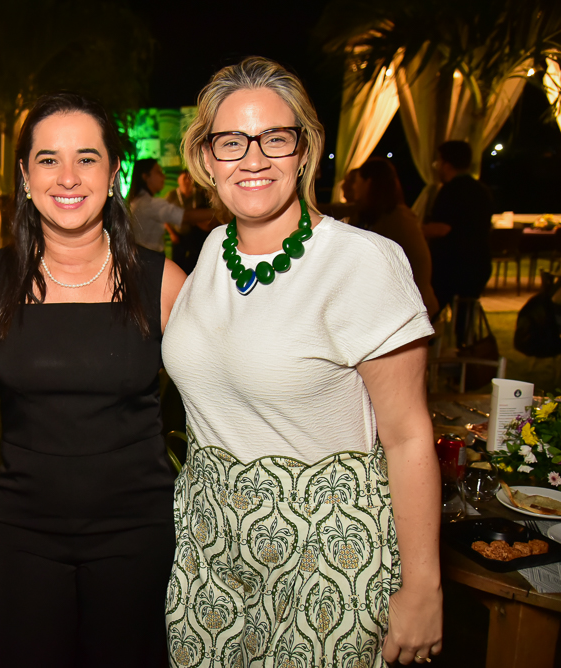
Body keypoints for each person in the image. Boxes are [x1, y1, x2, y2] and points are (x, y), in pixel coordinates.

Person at [163, 57, 442, 667]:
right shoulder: (212, 251)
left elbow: (408, 436)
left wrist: (423, 588)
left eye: (275, 138)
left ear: (305, 149)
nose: (253, 158)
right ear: (207, 157)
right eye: (231, 141)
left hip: (326, 564)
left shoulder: (362, 262)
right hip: (211, 556)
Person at [0, 92, 187, 668]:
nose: (68, 176)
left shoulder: (161, 282)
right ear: (25, 174)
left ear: (113, 173)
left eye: (87, 158)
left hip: (137, 535)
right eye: (49, 159)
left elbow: (228, 397)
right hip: (22, 538)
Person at [353, 158, 439, 317]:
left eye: (356, 182)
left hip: (409, 313)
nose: (354, 187)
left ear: (368, 183)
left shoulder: (393, 222)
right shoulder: (393, 214)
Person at [423, 140, 493, 317]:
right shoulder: (482, 190)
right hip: (479, 264)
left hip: (451, 266)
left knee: (428, 313)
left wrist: (417, 231)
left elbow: (442, 228)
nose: (437, 167)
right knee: (464, 318)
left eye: (438, 162)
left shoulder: (450, 190)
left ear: (447, 165)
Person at [128, 158, 214, 254]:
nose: (163, 176)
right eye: (159, 172)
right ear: (145, 176)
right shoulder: (149, 204)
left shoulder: (138, 201)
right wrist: (219, 212)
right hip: (149, 256)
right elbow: (186, 216)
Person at [166, 170, 222, 273]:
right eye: (184, 178)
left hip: (196, 236)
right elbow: (164, 216)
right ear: (178, 180)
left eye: (189, 178)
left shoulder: (199, 194)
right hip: (178, 235)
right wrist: (172, 234)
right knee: (178, 265)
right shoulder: (172, 195)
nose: (187, 181)